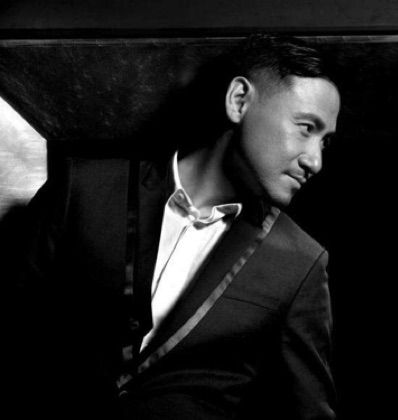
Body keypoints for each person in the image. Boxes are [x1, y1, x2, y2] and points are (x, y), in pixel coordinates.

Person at [9, 35, 340, 419]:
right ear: (239, 101)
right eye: (306, 128)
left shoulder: (299, 262)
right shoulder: (84, 189)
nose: (315, 161)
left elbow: (309, 412)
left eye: (325, 142)